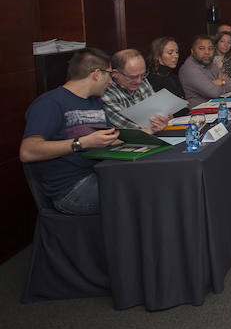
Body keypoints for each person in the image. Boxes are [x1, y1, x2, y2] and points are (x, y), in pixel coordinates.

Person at [19, 48, 120, 214]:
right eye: (109, 74)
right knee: (136, 196)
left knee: (145, 183)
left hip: (100, 173)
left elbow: (106, 139)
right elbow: (27, 152)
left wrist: (147, 132)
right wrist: (81, 143)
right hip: (72, 189)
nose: (111, 82)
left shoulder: (95, 102)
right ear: (97, 74)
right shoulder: (49, 103)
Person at [101, 49, 171, 132]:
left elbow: (157, 111)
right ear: (115, 73)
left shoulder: (142, 79)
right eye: (133, 77)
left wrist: (163, 118)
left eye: (143, 75)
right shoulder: (106, 90)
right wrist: (152, 127)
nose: (139, 81)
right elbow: (129, 127)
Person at [179, 35, 231, 108]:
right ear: (192, 51)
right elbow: (214, 93)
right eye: (201, 48)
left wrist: (222, 82)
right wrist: (221, 82)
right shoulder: (190, 69)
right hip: (200, 112)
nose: (207, 52)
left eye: (210, 49)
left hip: (216, 106)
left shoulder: (209, 62)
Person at [147, 36, 189, 116]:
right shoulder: (153, 79)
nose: (176, 56)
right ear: (157, 56)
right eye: (170, 53)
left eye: (177, 52)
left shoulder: (172, 75)